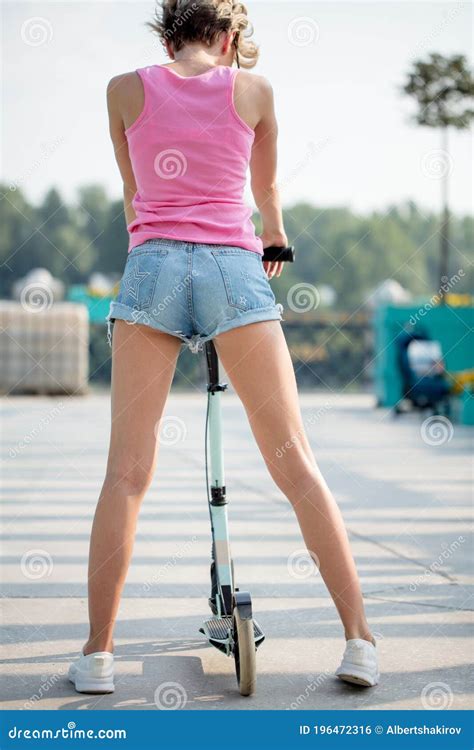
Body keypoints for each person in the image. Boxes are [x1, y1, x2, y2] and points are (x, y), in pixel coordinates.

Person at [69, 0, 379, 695]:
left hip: (151, 267)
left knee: (126, 473)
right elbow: (264, 189)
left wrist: (155, 243)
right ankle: (360, 641)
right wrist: (274, 235)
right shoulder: (255, 90)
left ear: (168, 31)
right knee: (294, 460)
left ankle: (97, 656)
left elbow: (133, 191)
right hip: (232, 271)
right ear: (231, 34)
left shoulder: (123, 89)